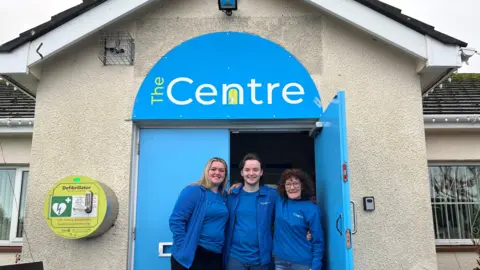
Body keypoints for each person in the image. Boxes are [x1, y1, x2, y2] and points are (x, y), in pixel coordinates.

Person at [169, 157, 229, 270]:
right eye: (213, 169)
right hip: (192, 254)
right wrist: (183, 246)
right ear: (207, 171)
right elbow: (176, 220)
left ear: (225, 174)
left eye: (221, 170)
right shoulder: (193, 191)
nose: (217, 173)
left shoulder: (224, 196)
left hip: (215, 254)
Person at [224, 153, 278, 270]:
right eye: (247, 170)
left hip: (261, 259)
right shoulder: (232, 195)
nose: (251, 173)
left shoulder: (272, 195)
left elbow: (285, 215)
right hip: (235, 258)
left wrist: (305, 228)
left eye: (255, 170)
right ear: (242, 172)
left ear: (261, 172)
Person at [273, 169, 324, 270]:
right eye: (288, 184)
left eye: (296, 183)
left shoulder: (312, 209)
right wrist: (239, 184)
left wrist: (316, 266)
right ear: (284, 187)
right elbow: (259, 188)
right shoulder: (279, 200)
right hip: (280, 261)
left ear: (303, 185)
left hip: (302, 263)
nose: (292, 187)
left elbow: (318, 241)